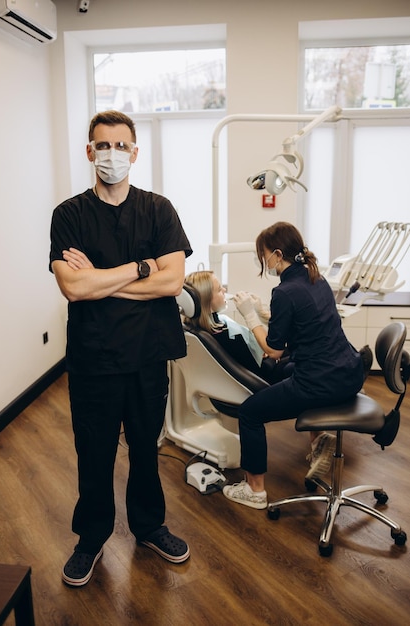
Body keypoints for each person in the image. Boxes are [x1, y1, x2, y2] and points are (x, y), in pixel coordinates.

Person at [49, 110, 193, 586]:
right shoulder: (69, 215)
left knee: (147, 452)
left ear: (135, 152)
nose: (112, 154)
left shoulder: (159, 209)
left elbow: (173, 282)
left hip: (147, 356)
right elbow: (74, 289)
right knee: (93, 453)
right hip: (94, 359)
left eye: (120, 145)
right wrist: (140, 268)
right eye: (102, 145)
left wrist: (101, 279)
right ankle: (90, 539)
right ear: (90, 152)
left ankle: (149, 526)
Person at [222, 221, 365, 510]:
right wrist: (267, 312)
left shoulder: (285, 291)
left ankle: (255, 490)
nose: (263, 261)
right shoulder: (316, 277)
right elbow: (300, 323)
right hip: (349, 372)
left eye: (263, 254)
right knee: (287, 372)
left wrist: (250, 316)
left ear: (277, 254)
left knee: (250, 412)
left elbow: (274, 350)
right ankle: (319, 441)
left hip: (321, 382)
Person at [184, 270, 290, 385]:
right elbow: (258, 369)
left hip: (266, 364)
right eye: (220, 289)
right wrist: (268, 354)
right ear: (207, 302)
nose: (224, 290)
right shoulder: (225, 335)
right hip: (267, 377)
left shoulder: (214, 326)